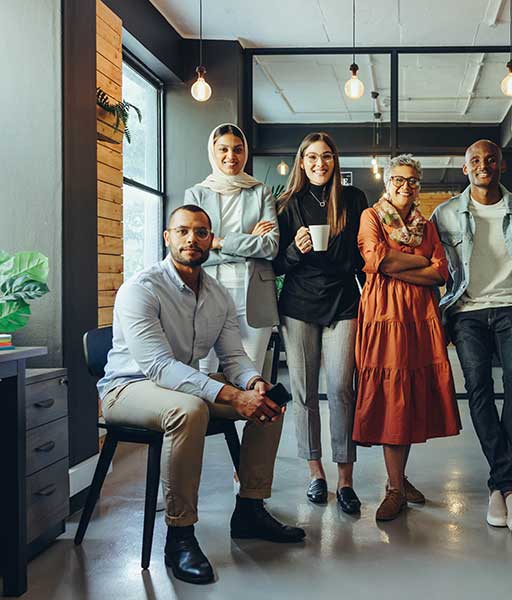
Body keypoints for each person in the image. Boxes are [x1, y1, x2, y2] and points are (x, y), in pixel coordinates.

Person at [97, 205, 305, 586]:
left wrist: (253, 383)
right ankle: (180, 537)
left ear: (211, 240)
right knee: (189, 410)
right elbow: (159, 367)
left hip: (184, 382)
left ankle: (249, 509)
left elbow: (233, 356)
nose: (191, 238)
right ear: (168, 238)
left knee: (270, 400)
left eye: (201, 232)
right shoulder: (141, 289)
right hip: (127, 387)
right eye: (182, 231)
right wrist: (229, 393)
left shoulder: (217, 294)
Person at [430, 140, 512, 532]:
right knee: (477, 388)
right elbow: (437, 271)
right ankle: (511, 486)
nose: (483, 165)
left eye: (490, 159)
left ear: (501, 165)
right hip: (467, 311)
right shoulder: (444, 215)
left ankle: (502, 487)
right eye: (475, 160)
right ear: (465, 168)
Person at [354, 154, 461, 522]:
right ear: (387, 182)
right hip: (385, 316)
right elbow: (377, 259)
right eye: (398, 179)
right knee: (391, 394)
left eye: (412, 180)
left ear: (419, 186)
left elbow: (441, 273)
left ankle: (397, 480)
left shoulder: (425, 224)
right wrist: (419, 263)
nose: (405, 186)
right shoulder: (371, 217)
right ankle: (395, 488)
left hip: (418, 316)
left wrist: (401, 262)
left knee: (411, 393)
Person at [184, 123, 285, 509]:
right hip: (207, 293)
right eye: (224, 149)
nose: (231, 157)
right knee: (203, 380)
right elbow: (197, 246)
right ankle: (189, 464)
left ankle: (244, 472)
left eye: (238, 149)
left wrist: (221, 239)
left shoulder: (258, 191)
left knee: (249, 382)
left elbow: (271, 246)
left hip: (253, 295)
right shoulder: (197, 193)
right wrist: (241, 241)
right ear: (213, 150)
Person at [274, 132, 368, 514]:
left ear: (335, 161)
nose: (319, 163)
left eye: (326, 156)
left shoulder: (353, 199)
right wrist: (296, 250)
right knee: (304, 392)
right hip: (297, 306)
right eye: (311, 157)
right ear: (301, 161)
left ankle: (345, 478)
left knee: (342, 388)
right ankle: (316, 472)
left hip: (344, 302)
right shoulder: (286, 203)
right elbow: (276, 264)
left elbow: (364, 255)